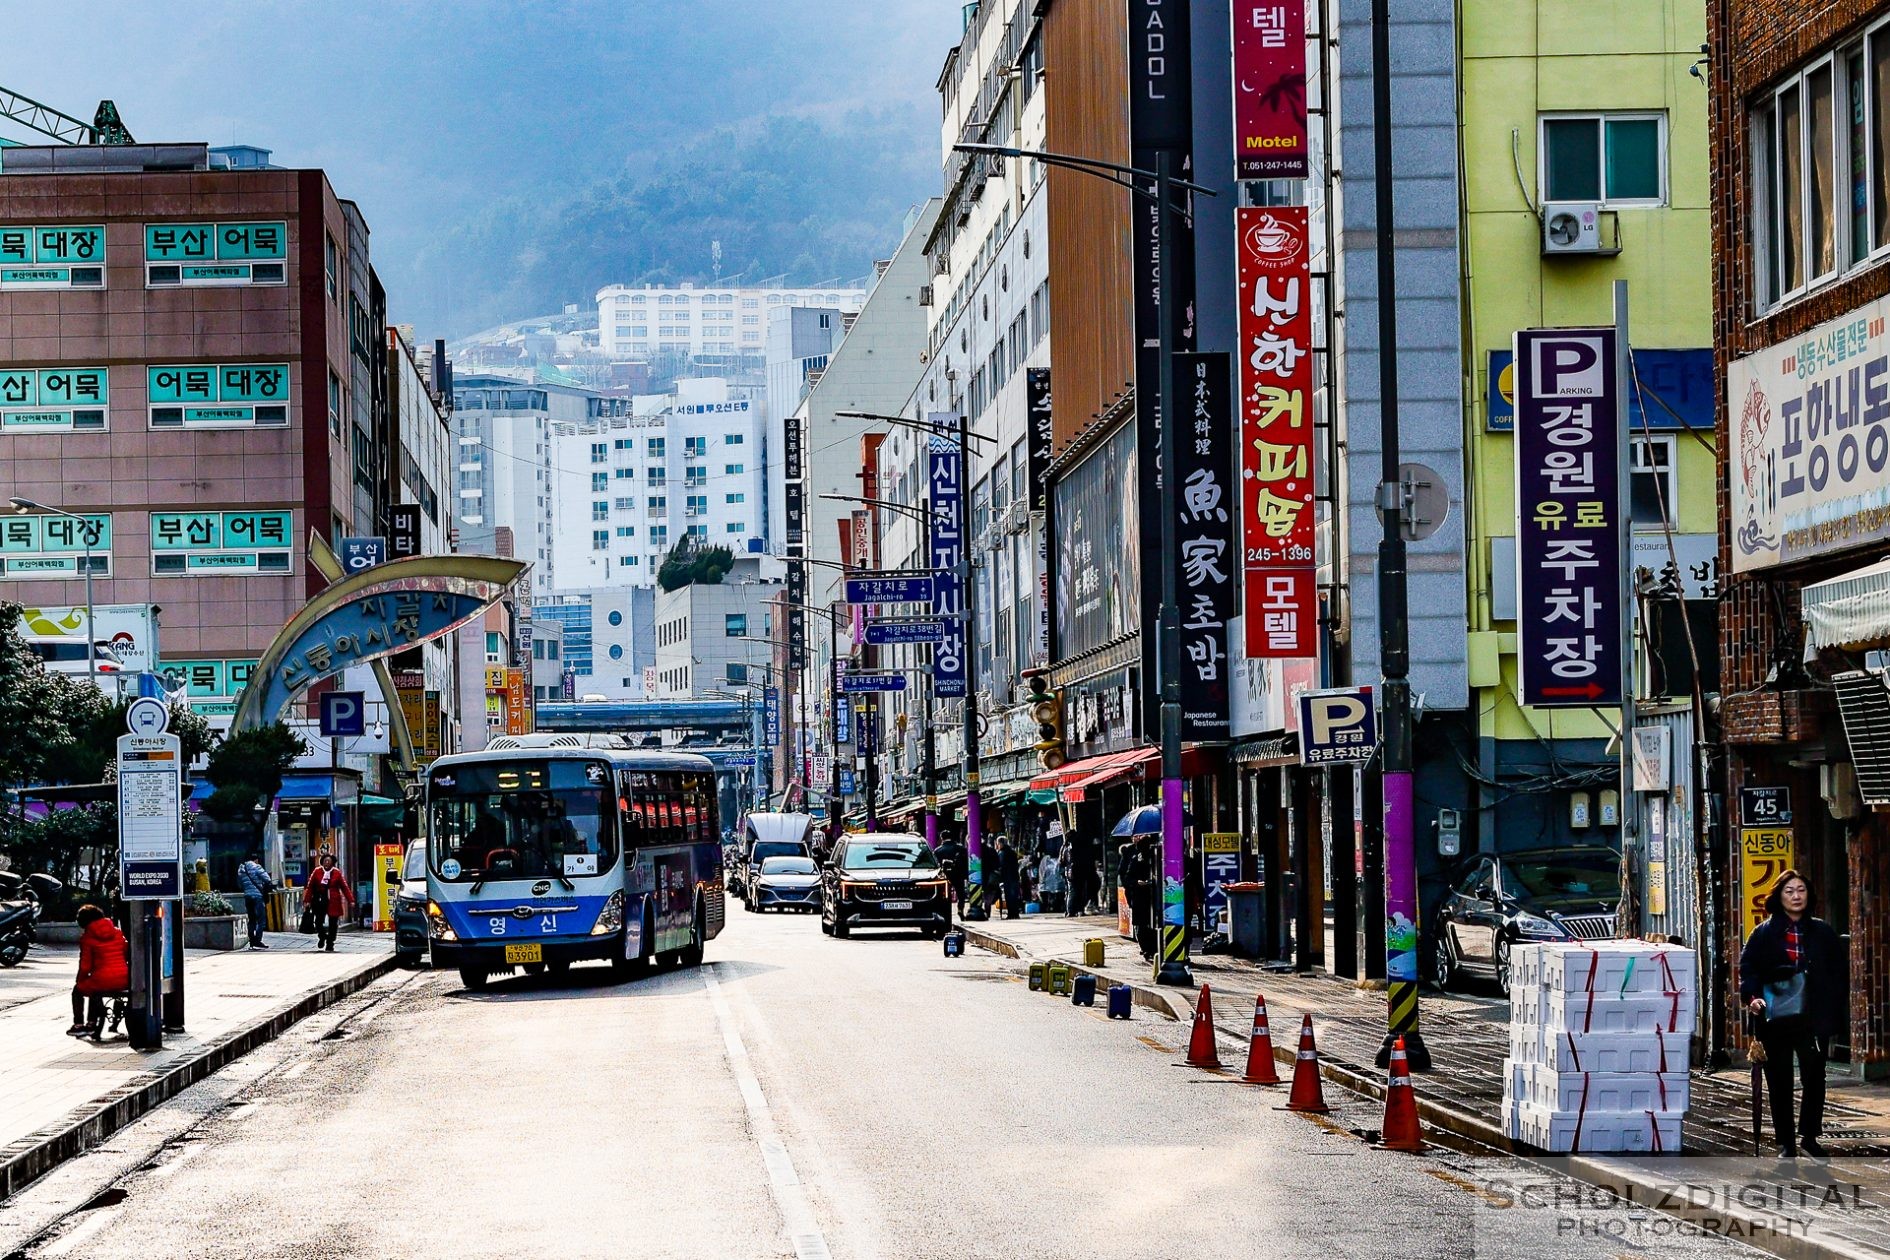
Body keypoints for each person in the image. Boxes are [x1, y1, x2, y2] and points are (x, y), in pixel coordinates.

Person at [1739, 869, 1847, 1158]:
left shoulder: (1822, 932)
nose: (1796, 896)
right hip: (1776, 1014)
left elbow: (1838, 973)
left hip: (1812, 1016)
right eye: (1789, 891)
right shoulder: (1763, 933)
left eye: (1801, 890)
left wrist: (1833, 1011)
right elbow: (1748, 969)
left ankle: (1809, 1136)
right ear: (1779, 896)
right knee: (1779, 1078)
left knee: (1814, 1075)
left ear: (1808, 894)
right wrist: (1753, 998)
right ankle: (1786, 1141)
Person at [67, 905, 129, 1037]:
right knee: (93, 986)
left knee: (79, 990)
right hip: (124, 978)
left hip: (102, 979)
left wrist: (80, 979)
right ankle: (91, 1023)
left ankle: (80, 1024)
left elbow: (85, 966)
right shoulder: (117, 932)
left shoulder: (87, 938)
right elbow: (125, 952)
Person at [304, 852, 355, 952]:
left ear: (332, 863)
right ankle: (322, 936)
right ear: (322, 862)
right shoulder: (317, 871)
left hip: (333, 901)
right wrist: (307, 900)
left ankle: (330, 943)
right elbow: (310, 887)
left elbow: (344, 887)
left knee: (333, 923)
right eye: (325, 861)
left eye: (329, 861)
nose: (327, 863)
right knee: (318, 921)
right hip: (319, 900)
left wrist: (351, 900)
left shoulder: (337, 872)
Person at [1120, 835, 1156, 961]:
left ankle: (1153, 949)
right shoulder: (1135, 858)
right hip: (1140, 896)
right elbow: (1127, 877)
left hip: (1154, 897)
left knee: (1152, 924)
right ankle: (1146, 949)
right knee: (1142, 925)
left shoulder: (1157, 858)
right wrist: (1137, 883)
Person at [236, 850, 274, 948]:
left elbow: (240, 884)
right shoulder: (257, 867)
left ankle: (251, 940)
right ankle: (257, 940)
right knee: (261, 919)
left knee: (251, 919)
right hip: (257, 896)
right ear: (256, 860)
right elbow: (267, 879)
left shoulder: (241, 869)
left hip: (247, 896)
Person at [935, 833, 968, 911]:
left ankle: (945, 909)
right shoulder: (961, 848)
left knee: (944, 894)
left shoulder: (938, 850)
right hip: (958, 875)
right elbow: (966, 862)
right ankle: (960, 908)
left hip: (945, 876)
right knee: (960, 893)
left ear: (941, 838)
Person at [997, 837, 1023, 920]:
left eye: (998, 844)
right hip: (1015, 876)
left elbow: (1000, 866)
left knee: (1009, 896)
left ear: (1000, 843)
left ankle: (1011, 914)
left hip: (1007, 878)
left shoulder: (1002, 853)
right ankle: (1016, 914)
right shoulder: (1013, 852)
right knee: (1015, 896)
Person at [1039, 847, 1066, 913]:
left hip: (1052, 858)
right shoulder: (1045, 860)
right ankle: (1056, 906)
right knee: (1058, 890)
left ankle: (1051, 907)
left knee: (1056, 890)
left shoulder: (1045, 860)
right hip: (1057, 857)